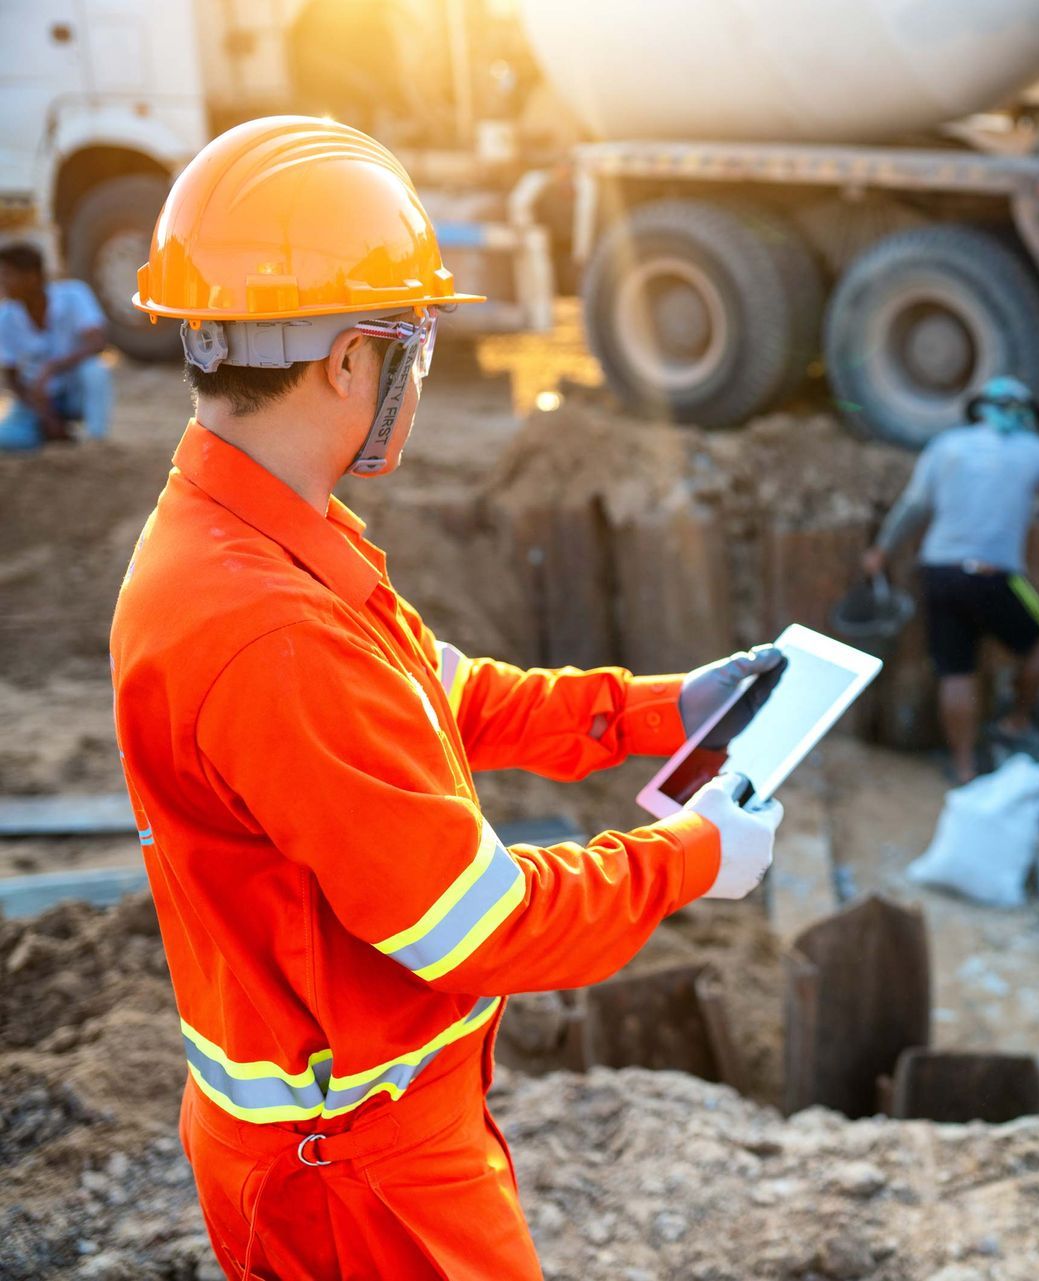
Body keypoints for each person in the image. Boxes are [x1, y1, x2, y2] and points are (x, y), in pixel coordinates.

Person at [110, 117, 785, 1278]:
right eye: (413, 343)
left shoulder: (259, 539)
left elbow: (450, 697)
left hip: (358, 1131)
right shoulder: (270, 628)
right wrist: (691, 858)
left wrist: (668, 710)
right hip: (356, 1171)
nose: (418, 375)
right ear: (346, 360)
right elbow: (478, 926)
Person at [861, 375, 1039, 783]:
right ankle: (1016, 722)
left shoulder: (946, 447)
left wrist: (881, 550)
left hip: (939, 574)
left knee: (956, 673)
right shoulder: (1034, 451)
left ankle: (964, 768)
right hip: (992, 576)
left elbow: (913, 506)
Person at [0, 242, 113, 450]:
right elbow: (12, 378)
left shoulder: (74, 294)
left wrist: (52, 367)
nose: (2, 282)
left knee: (94, 371)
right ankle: (49, 434)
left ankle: (96, 442)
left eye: (7, 275)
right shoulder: (5, 318)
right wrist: (44, 414)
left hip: (74, 391)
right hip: (39, 399)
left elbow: (98, 342)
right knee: (6, 439)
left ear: (31, 277)